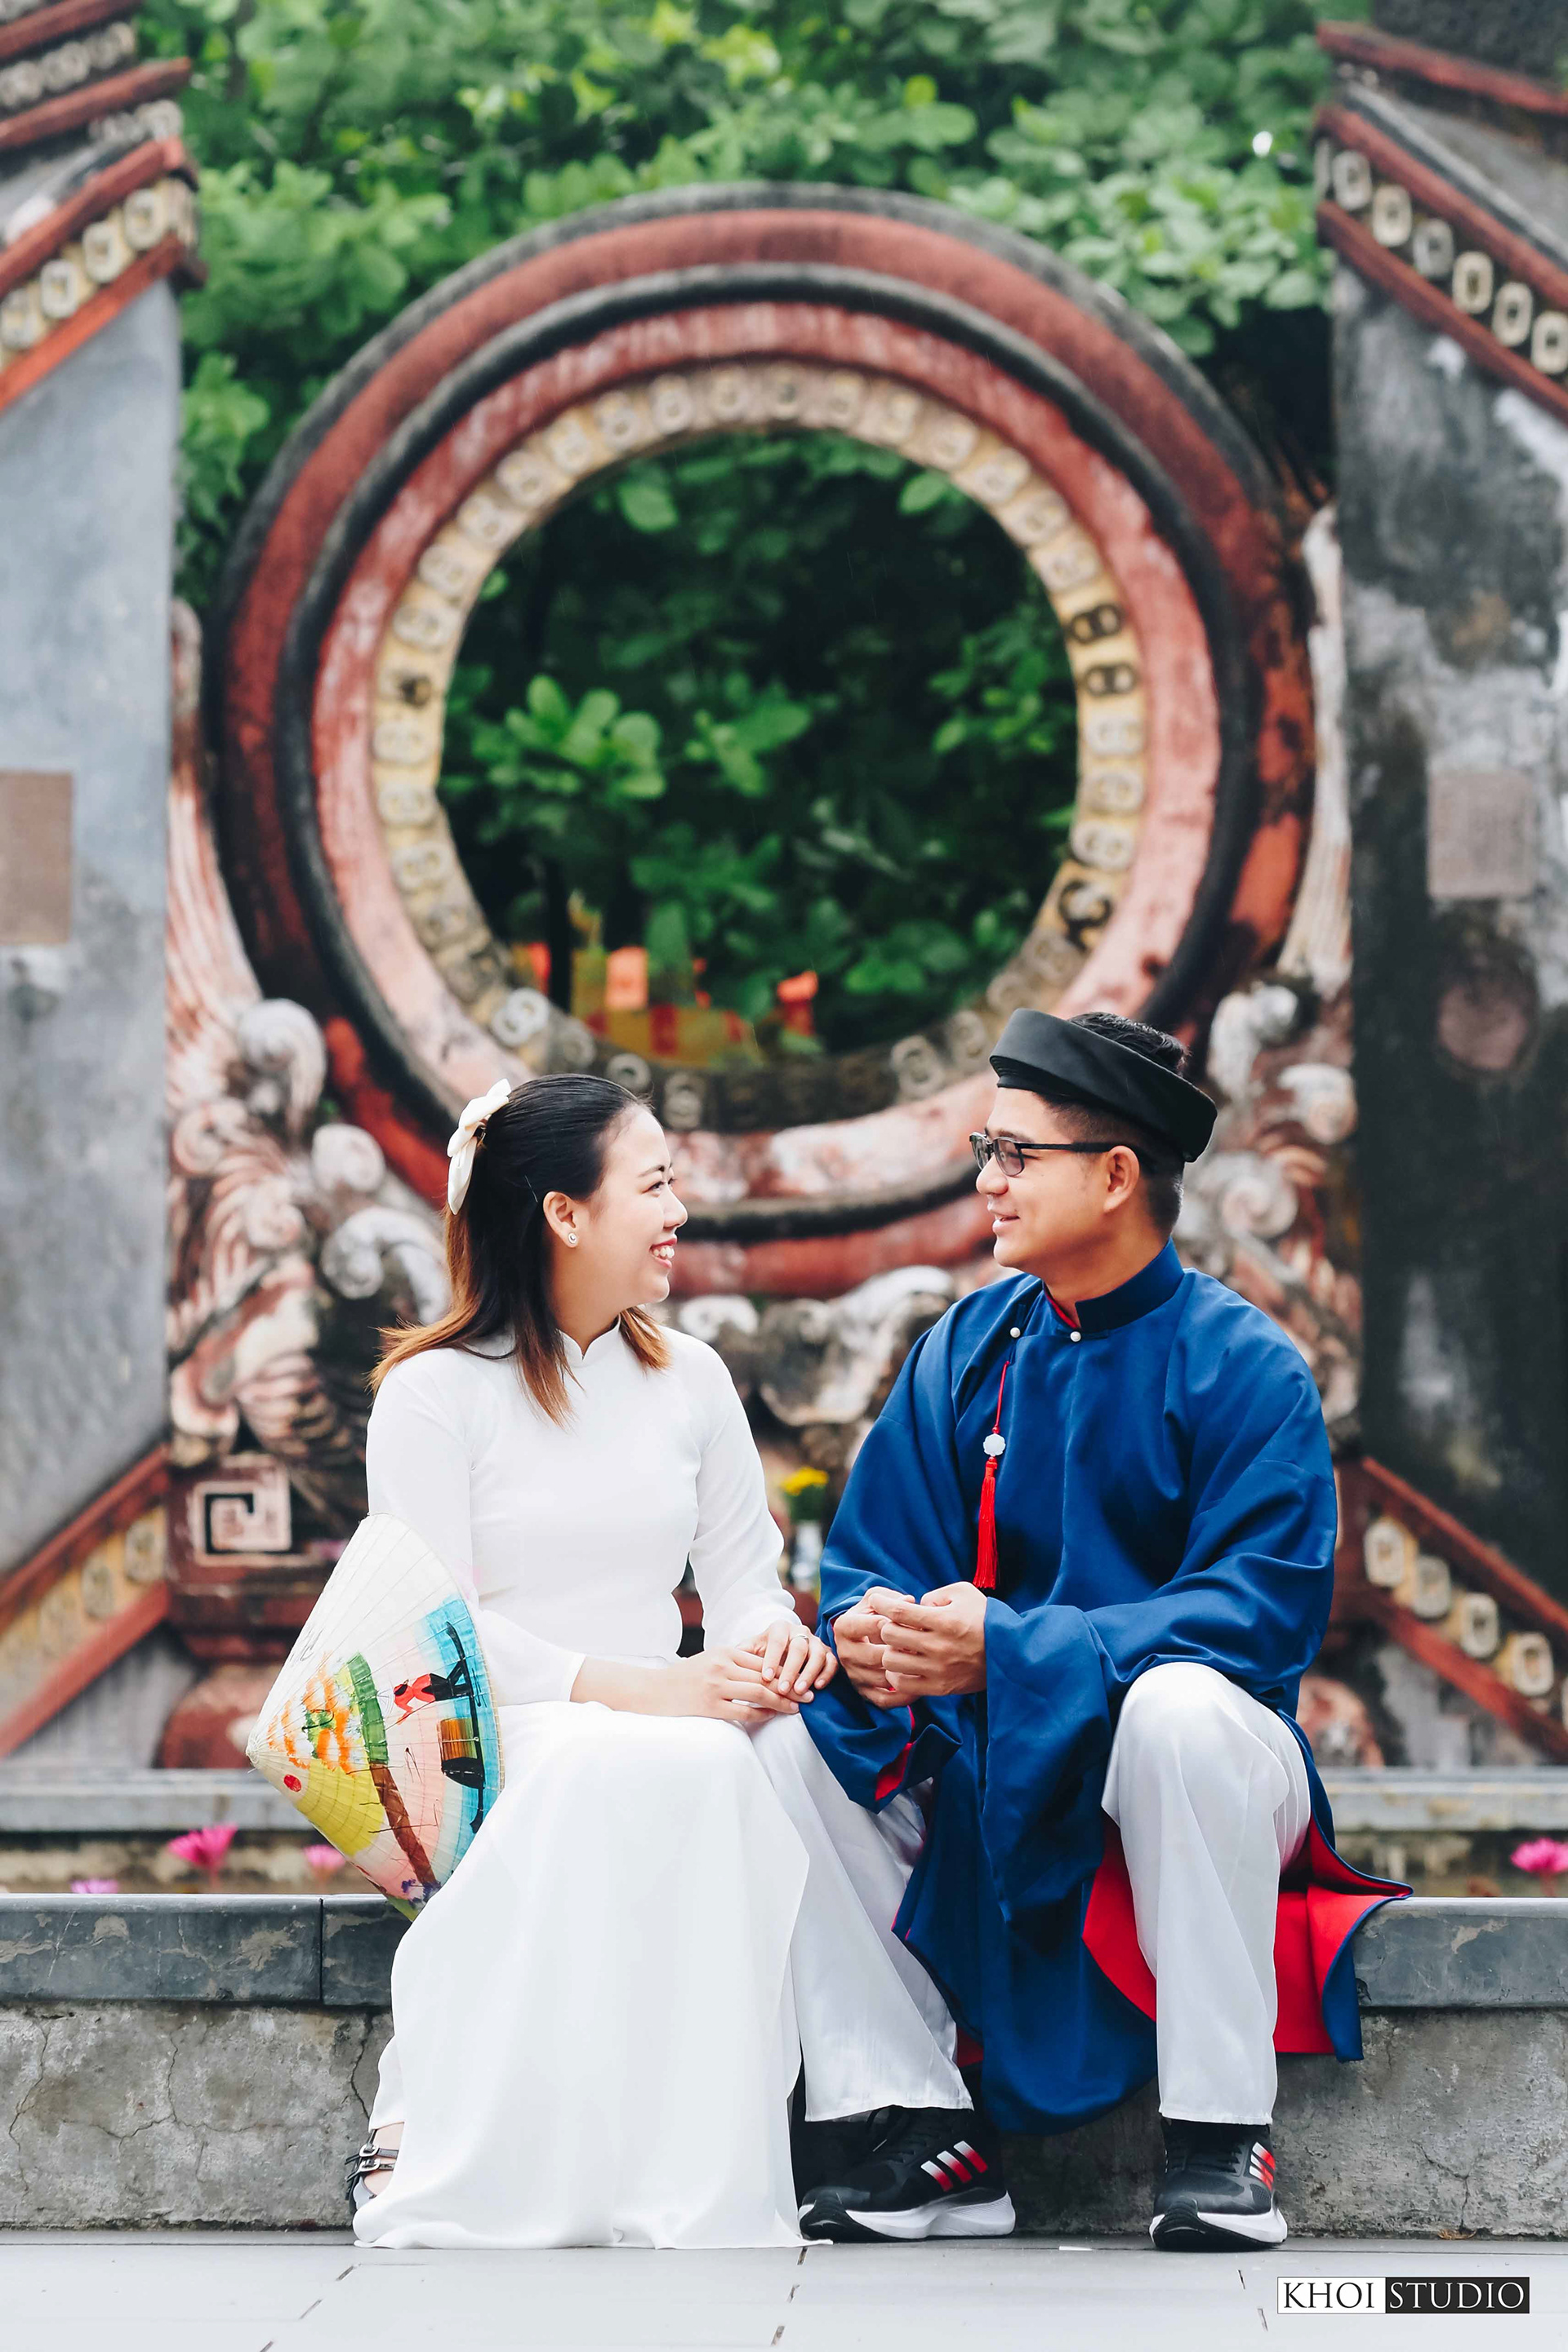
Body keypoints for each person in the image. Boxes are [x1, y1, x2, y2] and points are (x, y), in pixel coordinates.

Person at [774, 1008, 1402, 2253]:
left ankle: (1223, 2138)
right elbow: (869, 1561)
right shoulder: (966, 1346)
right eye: (984, 1151)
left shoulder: (1246, 1366)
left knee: (1175, 1713)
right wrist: (880, 1635)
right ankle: (917, 2124)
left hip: (1196, 1771)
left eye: (1016, 1156)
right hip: (989, 1761)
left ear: (1116, 1178)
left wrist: (1009, 1650)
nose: (987, 1183)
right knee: (785, 1744)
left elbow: (1257, 1617)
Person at [349, 1071, 978, 2251]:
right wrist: (651, 1689)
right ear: (563, 1215)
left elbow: (742, 1586)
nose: (680, 1209)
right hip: (505, 1723)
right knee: (638, 1763)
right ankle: (430, 2125)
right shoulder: (431, 1396)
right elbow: (438, 1633)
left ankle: (834, 2125)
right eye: (655, 1184)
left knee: (770, 1749)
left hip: (664, 1708)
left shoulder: (690, 1379)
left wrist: (770, 1649)